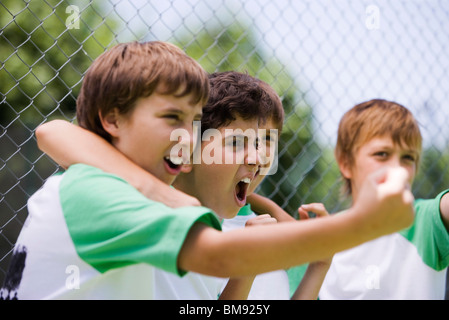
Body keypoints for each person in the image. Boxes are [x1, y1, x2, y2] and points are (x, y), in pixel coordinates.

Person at [1, 41, 416, 300]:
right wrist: (364, 223)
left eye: (193, 121)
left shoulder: (171, 213)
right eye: (172, 118)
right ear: (112, 118)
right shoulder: (97, 191)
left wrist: (314, 261)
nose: (186, 135)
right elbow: (219, 257)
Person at [319, 99, 449, 300]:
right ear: (345, 163)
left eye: (408, 158)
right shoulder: (318, 238)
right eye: (381, 154)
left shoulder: (425, 222)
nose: (398, 169)